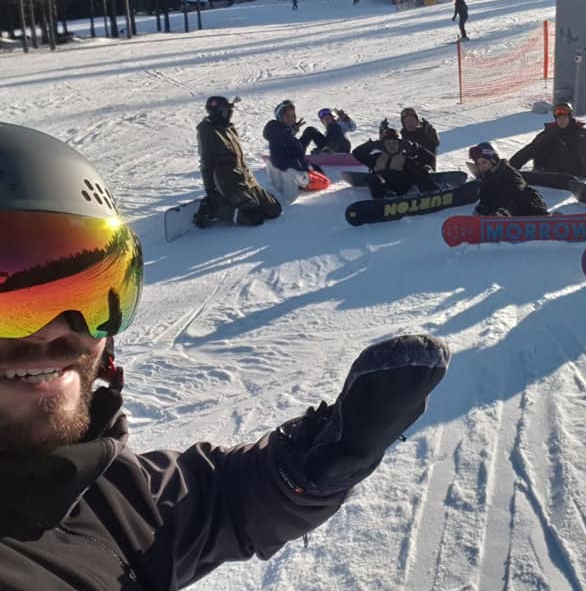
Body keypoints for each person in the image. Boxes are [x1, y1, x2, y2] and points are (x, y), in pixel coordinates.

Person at [0, 121, 450, 589]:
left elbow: (210, 502)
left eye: (87, 295)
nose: (53, 332)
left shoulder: (92, 485)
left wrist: (308, 467)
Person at [197, 96, 282, 227]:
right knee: (254, 218)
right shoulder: (207, 131)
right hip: (230, 186)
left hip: (247, 181)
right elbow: (206, 163)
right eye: (226, 111)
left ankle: (247, 201)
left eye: (230, 111)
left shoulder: (229, 128)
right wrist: (210, 190)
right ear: (217, 112)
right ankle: (216, 208)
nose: (229, 114)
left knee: (274, 210)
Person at [509, 102, 586, 179]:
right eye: (559, 119)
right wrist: (511, 167)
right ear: (556, 119)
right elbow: (529, 150)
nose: (562, 121)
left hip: (577, 173)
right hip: (552, 172)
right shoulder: (548, 133)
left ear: (569, 118)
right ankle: (541, 170)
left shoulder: (583, 134)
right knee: (540, 144)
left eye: (564, 118)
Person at [352, 125, 438, 198]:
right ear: (383, 145)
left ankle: (431, 192)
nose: (391, 146)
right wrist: (371, 145)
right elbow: (357, 153)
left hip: (400, 185)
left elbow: (429, 158)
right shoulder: (376, 158)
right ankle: (383, 199)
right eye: (388, 143)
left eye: (394, 143)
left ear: (400, 144)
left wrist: (415, 147)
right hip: (382, 189)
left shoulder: (406, 158)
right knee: (374, 178)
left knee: (418, 169)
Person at [467, 142, 548, 217]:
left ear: (493, 160)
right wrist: (483, 209)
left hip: (525, 209)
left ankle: (543, 218)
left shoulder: (507, 172)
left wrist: (501, 208)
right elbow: (486, 200)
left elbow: (515, 189)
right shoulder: (485, 181)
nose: (481, 166)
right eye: (478, 164)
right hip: (503, 217)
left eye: (484, 162)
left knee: (526, 196)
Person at [263, 99, 328, 173]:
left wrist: (291, 130)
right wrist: (289, 131)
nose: (291, 118)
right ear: (280, 117)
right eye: (287, 116)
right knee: (313, 168)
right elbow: (279, 137)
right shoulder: (274, 127)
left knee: (310, 130)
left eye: (293, 116)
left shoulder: (284, 129)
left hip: (296, 153)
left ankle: (327, 148)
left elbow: (286, 138)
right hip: (289, 159)